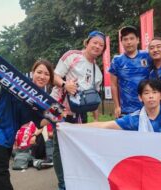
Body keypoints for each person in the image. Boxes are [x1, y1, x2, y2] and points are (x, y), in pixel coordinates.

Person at [0, 59, 53, 190]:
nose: (42, 76)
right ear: (32, 73)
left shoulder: (41, 100)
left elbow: (40, 122)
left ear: (50, 77)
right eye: (39, 72)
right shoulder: (17, 82)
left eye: (46, 74)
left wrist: (54, 117)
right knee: (1, 177)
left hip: (7, 138)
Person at [51, 30, 106, 190]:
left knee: (76, 148)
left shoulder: (98, 72)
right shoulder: (72, 56)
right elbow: (53, 76)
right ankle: (63, 184)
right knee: (59, 148)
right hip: (60, 110)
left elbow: (94, 99)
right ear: (87, 42)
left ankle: (75, 180)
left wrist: (96, 121)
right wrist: (64, 85)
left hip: (81, 114)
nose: (97, 46)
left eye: (101, 45)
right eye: (94, 42)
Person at [67, 79, 161, 134]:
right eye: (146, 93)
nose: (151, 96)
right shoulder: (134, 120)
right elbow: (105, 125)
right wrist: (72, 128)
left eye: (155, 92)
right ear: (140, 97)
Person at [109, 26, 152, 118]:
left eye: (132, 38)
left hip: (148, 108)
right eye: (125, 39)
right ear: (122, 42)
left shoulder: (148, 56)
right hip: (125, 111)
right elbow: (113, 85)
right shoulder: (117, 60)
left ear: (137, 40)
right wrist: (117, 106)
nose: (129, 42)